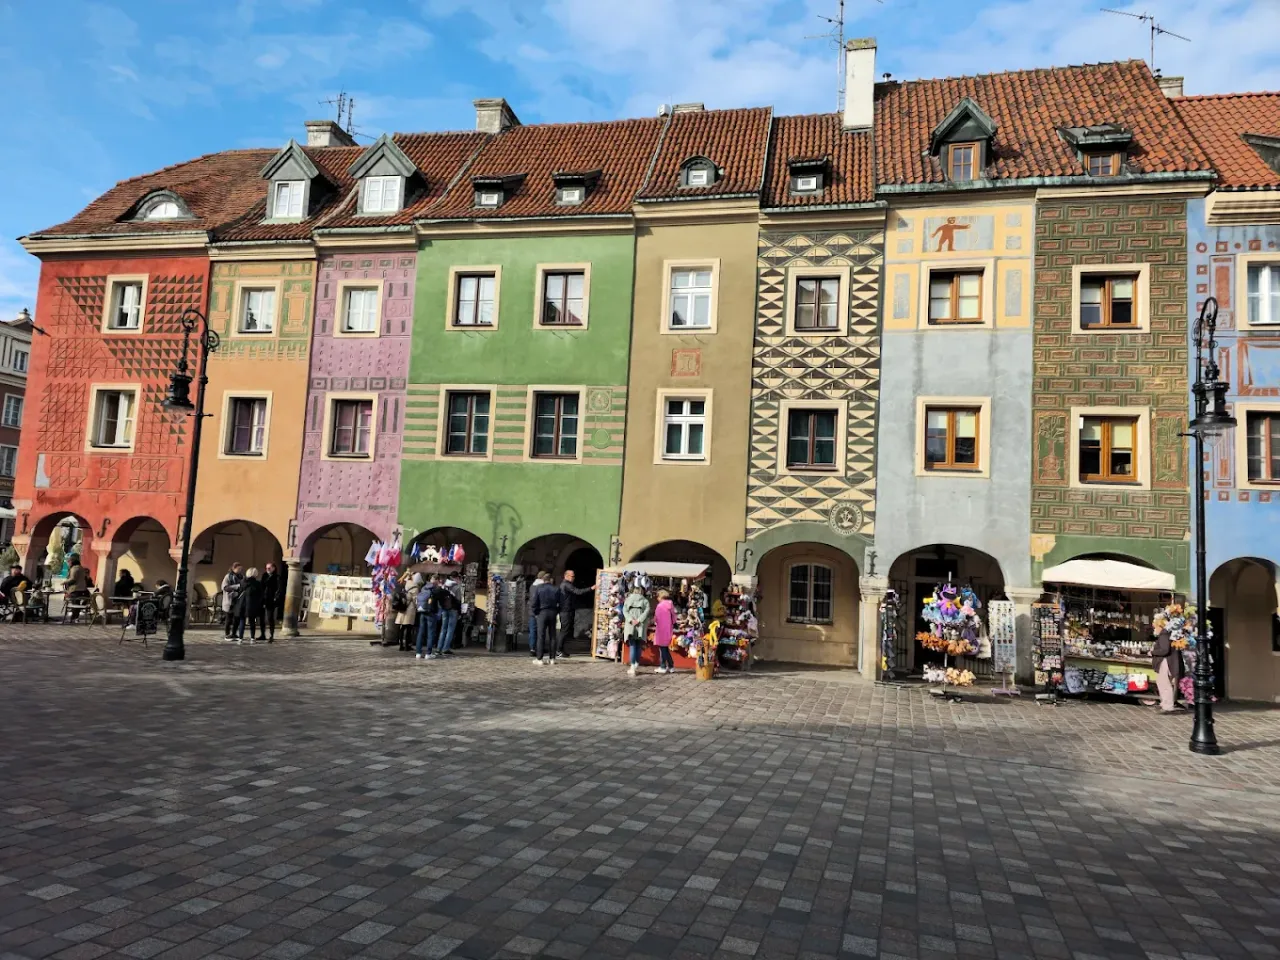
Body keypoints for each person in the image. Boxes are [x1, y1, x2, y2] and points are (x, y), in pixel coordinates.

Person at [555, 570, 595, 660]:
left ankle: (560, 650)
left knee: (565, 631)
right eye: (572, 576)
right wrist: (591, 588)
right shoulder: (566, 584)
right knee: (564, 631)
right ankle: (558, 650)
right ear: (566, 576)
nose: (573, 578)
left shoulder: (565, 584)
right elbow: (578, 592)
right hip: (565, 611)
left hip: (566, 610)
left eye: (574, 576)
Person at [530, 571, 559, 665]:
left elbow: (534, 602)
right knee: (553, 636)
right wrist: (556, 611)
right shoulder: (556, 589)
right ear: (550, 580)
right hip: (552, 612)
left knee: (541, 636)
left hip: (542, 612)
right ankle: (552, 658)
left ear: (543, 580)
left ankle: (539, 658)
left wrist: (535, 612)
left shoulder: (539, 588)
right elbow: (560, 602)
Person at [623, 585, 651, 677]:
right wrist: (639, 620)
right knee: (638, 645)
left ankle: (632, 666)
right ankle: (636, 664)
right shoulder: (645, 601)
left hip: (630, 624)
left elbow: (624, 611)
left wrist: (631, 620)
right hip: (640, 625)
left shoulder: (628, 599)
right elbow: (646, 612)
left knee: (632, 645)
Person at [414, 574, 442, 660]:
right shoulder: (436, 589)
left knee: (421, 632)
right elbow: (439, 602)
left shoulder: (424, 587)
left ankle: (418, 653)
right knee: (430, 633)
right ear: (437, 580)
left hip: (422, 611)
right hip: (431, 612)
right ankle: (428, 654)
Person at [1152, 627, 1179, 713]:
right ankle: (1164, 703)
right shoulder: (1168, 634)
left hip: (1165, 661)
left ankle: (1168, 706)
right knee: (1162, 682)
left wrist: (1153, 652)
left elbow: (1164, 650)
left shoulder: (1164, 634)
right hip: (1168, 662)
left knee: (1164, 683)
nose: (1153, 628)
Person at [435, 573, 463, 656]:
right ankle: (446, 648)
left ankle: (438, 648)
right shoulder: (457, 587)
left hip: (444, 609)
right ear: (457, 578)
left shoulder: (444, 586)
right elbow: (458, 600)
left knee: (443, 629)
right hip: (453, 610)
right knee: (450, 630)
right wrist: (460, 612)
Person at [395, 572, 422, 651]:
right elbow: (415, 600)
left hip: (402, 607)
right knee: (408, 628)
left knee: (402, 627)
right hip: (410, 609)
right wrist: (417, 608)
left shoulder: (406, 584)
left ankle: (400, 645)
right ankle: (407, 645)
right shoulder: (415, 588)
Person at [652, 589, 676, 675]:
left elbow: (656, 618)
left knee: (662, 648)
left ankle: (662, 666)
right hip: (668, 628)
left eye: (657, 597)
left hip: (661, 628)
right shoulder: (671, 604)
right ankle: (671, 666)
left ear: (660, 597)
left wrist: (653, 621)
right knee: (665, 648)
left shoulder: (660, 606)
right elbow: (674, 617)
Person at [220, 563, 245, 640]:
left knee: (236, 618)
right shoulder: (228, 576)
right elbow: (225, 587)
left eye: (241, 569)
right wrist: (236, 587)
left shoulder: (242, 577)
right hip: (230, 600)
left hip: (238, 600)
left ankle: (234, 633)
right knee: (228, 619)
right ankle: (227, 634)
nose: (240, 570)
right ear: (234, 568)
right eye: (239, 569)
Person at [261, 562, 284, 643]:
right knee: (262, 618)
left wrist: (275, 598)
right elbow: (262, 586)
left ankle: (271, 635)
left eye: (269, 568)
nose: (267, 569)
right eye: (266, 568)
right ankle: (262, 634)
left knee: (270, 618)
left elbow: (280, 589)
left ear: (274, 568)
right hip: (263, 599)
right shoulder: (264, 576)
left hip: (271, 600)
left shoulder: (277, 577)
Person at [527, 573, 546, 658]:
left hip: (532, 611)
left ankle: (532, 648)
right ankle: (537, 648)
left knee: (533, 630)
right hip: (539, 611)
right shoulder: (541, 586)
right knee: (540, 631)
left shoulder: (532, 586)